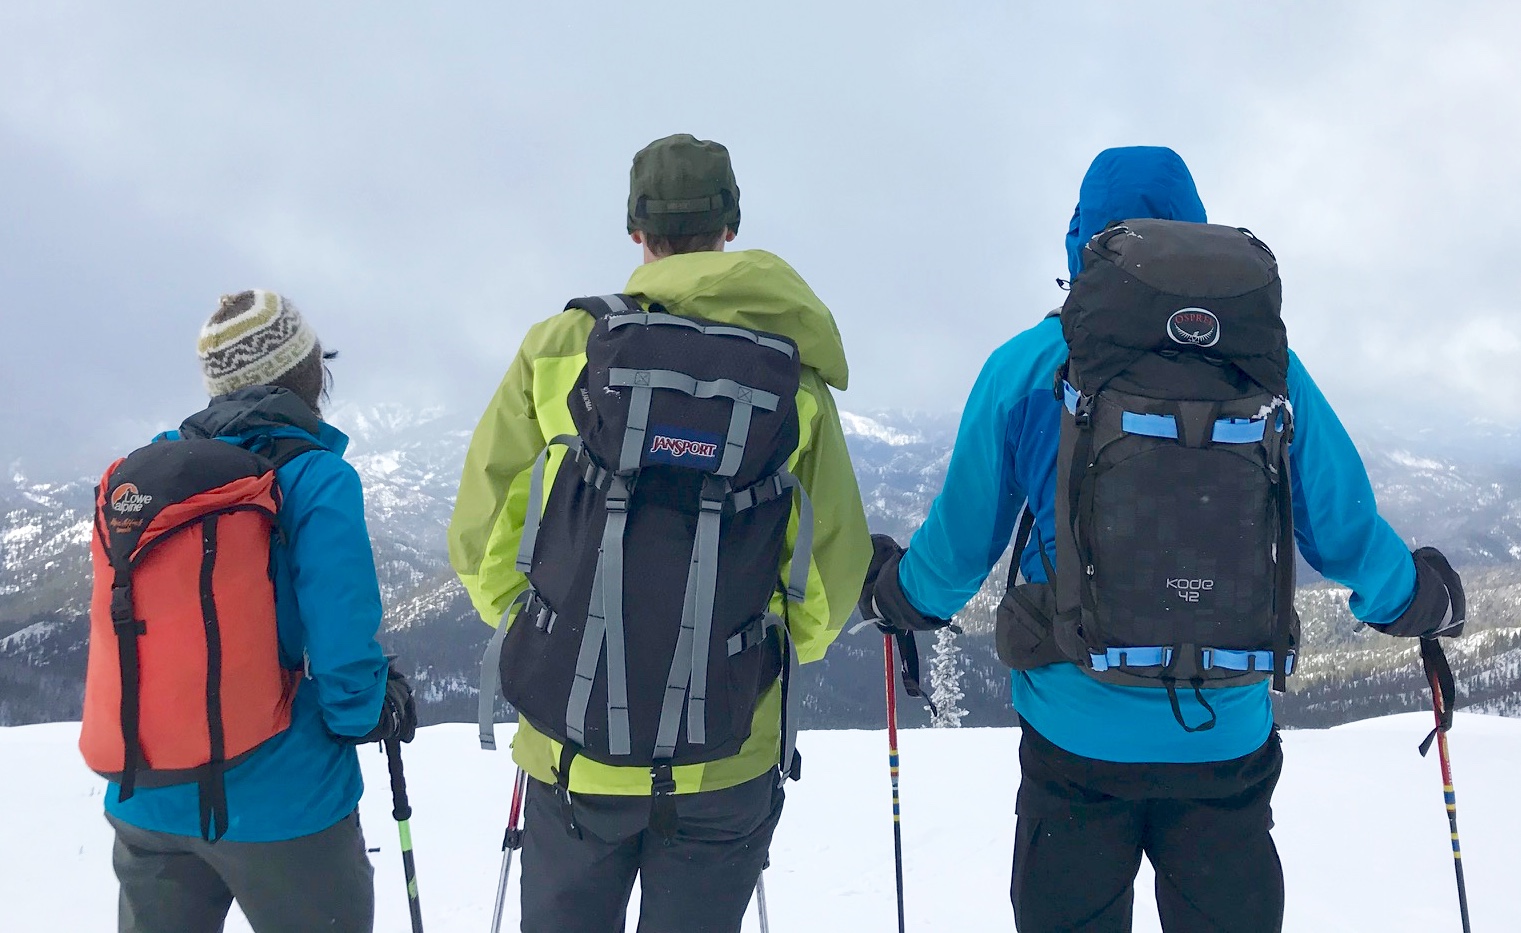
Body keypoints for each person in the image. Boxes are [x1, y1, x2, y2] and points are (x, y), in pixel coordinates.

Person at [858, 147, 1465, 933]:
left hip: (1073, 734)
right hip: (1224, 733)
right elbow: (1344, 530)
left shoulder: (1029, 366)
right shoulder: (1271, 369)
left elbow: (954, 555)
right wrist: (1419, 598)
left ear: (1080, 242)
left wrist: (894, 594)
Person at [449, 134, 869, 933]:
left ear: (636, 231)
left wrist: (540, 621)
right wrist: (763, 651)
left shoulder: (561, 348)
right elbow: (829, 572)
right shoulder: (792, 378)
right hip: (725, 751)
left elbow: (484, 527)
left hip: (573, 748)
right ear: (730, 226)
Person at [91, 290, 416, 933]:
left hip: (146, 796)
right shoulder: (318, 478)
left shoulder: (145, 471)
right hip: (285, 802)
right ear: (304, 374)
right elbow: (343, 637)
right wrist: (367, 711)